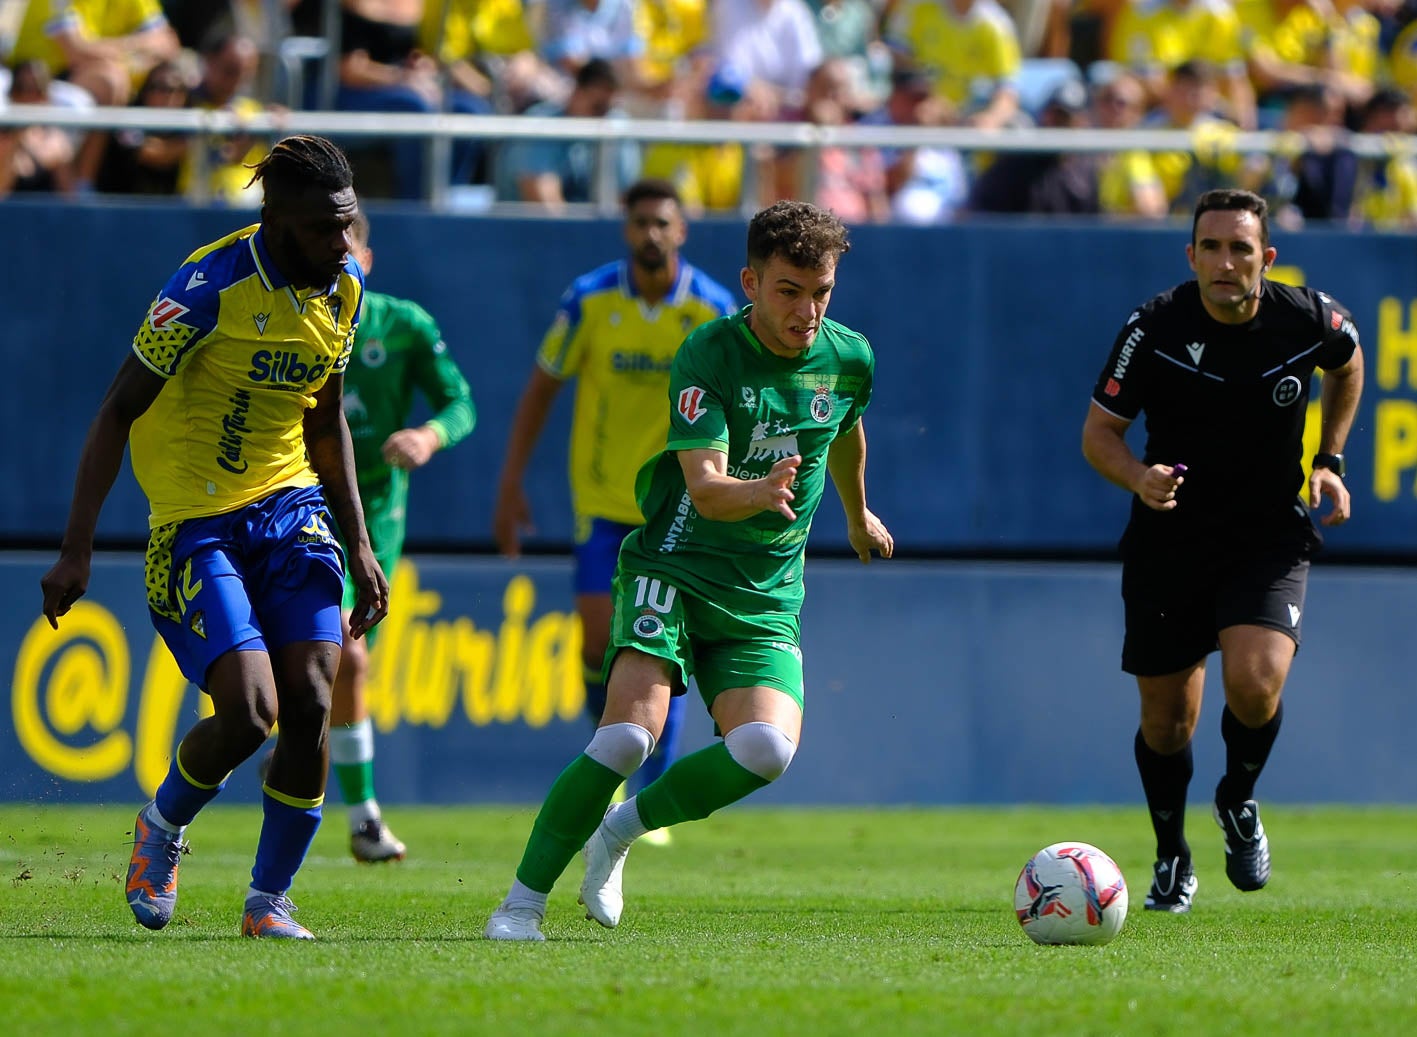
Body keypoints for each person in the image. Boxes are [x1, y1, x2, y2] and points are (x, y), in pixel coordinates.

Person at [486, 199, 895, 942]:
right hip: (672, 565)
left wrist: (854, 513)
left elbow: (845, 431)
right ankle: (519, 903)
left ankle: (618, 833)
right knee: (624, 740)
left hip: (762, 596)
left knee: (766, 750)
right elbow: (704, 486)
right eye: (788, 291)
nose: (807, 310)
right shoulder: (707, 351)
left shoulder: (849, 355)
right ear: (750, 281)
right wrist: (760, 491)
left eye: (821, 292)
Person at [39, 135, 389, 940]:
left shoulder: (343, 286)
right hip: (196, 523)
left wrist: (359, 542)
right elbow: (117, 409)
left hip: (289, 506)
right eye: (323, 228)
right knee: (251, 712)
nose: (342, 245)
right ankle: (161, 827)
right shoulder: (204, 289)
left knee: (309, 700)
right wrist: (76, 546)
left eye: (348, 224)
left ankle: (269, 902)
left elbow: (326, 415)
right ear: (274, 218)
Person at [1081, 188, 1363, 914]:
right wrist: (1138, 477)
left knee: (1254, 681)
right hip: (1169, 538)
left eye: (1240, 248)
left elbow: (1348, 359)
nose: (1224, 262)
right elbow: (1098, 434)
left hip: (1266, 534)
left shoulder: (1305, 316)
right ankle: (1171, 853)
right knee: (1165, 722)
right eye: (1210, 247)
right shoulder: (1153, 325)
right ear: (1191, 256)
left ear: (1265, 258)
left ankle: (1236, 798)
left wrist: (1329, 458)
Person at [493, 178, 737, 849]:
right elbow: (542, 387)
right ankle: (607, 759)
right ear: (624, 229)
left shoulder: (712, 308)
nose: (650, 234)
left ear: (681, 230)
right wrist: (511, 481)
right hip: (602, 505)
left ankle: (646, 789)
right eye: (639, 223)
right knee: (599, 644)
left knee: (666, 645)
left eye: (662, 222)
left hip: (680, 510)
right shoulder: (589, 299)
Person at [328, 208, 477, 862]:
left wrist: (427, 434)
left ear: (367, 255)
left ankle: (306, 749)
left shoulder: (403, 325)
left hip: (373, 517)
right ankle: (361, 816)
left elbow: (460, 402)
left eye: (348, 248)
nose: (339, 261)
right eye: (325, 249)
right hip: (294, 505)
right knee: (341, 658)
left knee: (343, 658)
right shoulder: (284, 319)